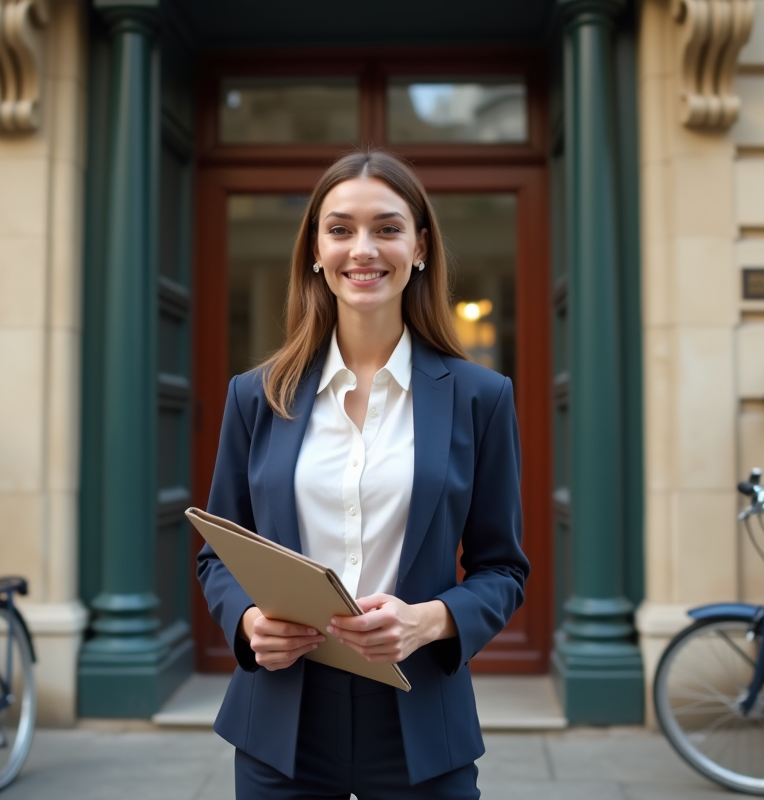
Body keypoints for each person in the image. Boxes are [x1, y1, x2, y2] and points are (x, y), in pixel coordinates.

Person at [196, 148, 529, 800]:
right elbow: (217, 554)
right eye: (341, 229)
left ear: (420, 246)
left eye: (387, 227)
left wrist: (428, 620)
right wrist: (246, 622)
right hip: (281, 718)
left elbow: (504, 570)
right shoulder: (255, 395)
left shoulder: (480, 398)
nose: (363, 249)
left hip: (419, 719)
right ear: (316, 251)